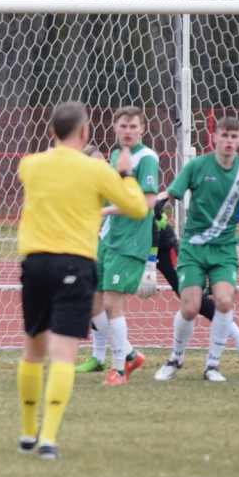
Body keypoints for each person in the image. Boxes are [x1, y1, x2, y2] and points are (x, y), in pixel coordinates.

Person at [16, 101, 148, 460]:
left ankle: (27, 431)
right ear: (86, 133)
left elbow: (43, 165)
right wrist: (125, 174)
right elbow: (137, 208)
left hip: (36, 264)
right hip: (75, 264)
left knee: (33, 350)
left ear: (50, 133)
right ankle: (48, 438)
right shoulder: (97, 169)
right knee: (63, 352)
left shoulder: (30, 165)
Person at [153, 117, 239, 383]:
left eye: (234, 137)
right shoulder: (197, 166)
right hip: (193, 247)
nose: (229, 141)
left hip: (223, 248)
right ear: (214, 138)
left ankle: (212, 365)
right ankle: (175, 359)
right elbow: (172, 193)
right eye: (224, 135)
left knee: (224, 301)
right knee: (190, 308)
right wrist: (157, 202)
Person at [79, 107, 160, 387]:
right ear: (114, 128)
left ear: (142, 129)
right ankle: (129, 353)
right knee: (93, 304)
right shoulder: (115, 156)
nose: (128, 131)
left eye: (133, 126)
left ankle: (118, 370)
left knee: (113, 303)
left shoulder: (147, 158)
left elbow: (148, 203)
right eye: (123, 126)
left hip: (131, 242)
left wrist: (103, 212)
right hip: (109, 239)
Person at [144, 206, 239, 372]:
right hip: (137, 249)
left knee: (195, 301)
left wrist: (149, 263)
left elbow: (155, 221)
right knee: (108, 291)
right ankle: (112, 354)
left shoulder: (134, 187)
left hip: (164, 248)